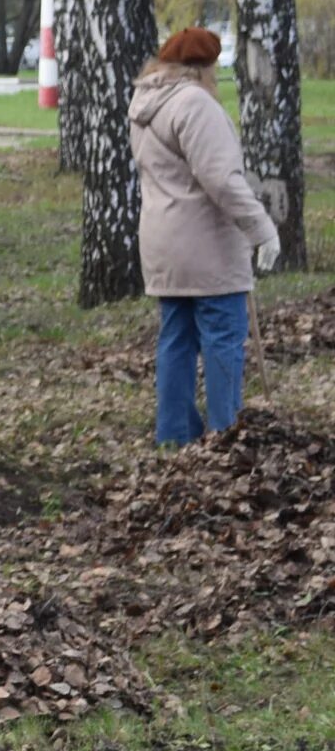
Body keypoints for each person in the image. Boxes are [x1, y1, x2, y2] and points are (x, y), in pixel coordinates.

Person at [132, 26, 280, 446]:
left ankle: (174, 437)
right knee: (223, 340)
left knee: (176, 339)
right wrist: (262, 230)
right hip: (207, 246)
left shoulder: (146, 102)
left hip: (164, 243)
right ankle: (225, 436)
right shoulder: (195, 103)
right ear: (204, 67)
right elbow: (222, 180)